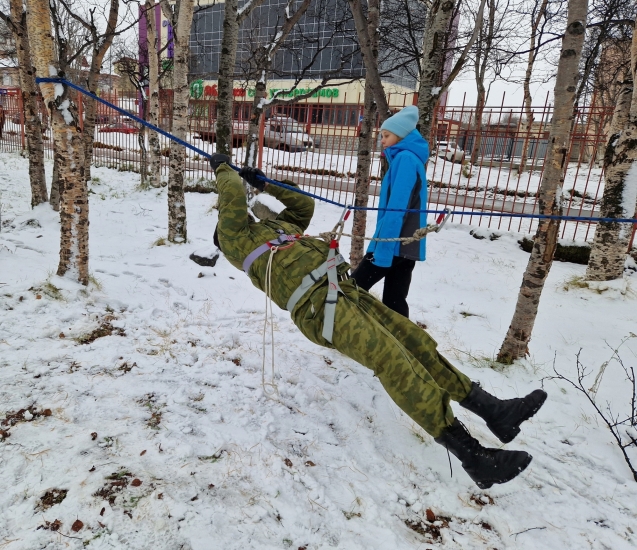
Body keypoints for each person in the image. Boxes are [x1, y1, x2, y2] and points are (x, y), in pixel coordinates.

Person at [209, 153, 547, 489]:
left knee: (416, 346)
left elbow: (304, 207)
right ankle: (474, 457)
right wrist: (225, 169)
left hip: (345, 291)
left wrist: (268, 184)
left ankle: (495, 412)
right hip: (320, 310)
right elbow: (233, 201)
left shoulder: (277, 228)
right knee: (394, 362)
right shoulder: (233, 239)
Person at [350, 105, 428, 318]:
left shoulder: (405, 159)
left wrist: (382, 249)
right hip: (407, 244)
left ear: (401, 135)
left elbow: (397, 208)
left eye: (386, 135)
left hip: (392, 242)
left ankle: (337, 332)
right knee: (395, 302)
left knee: (350, 289)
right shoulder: (411, 159)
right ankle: (403, 343)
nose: (382, 140)